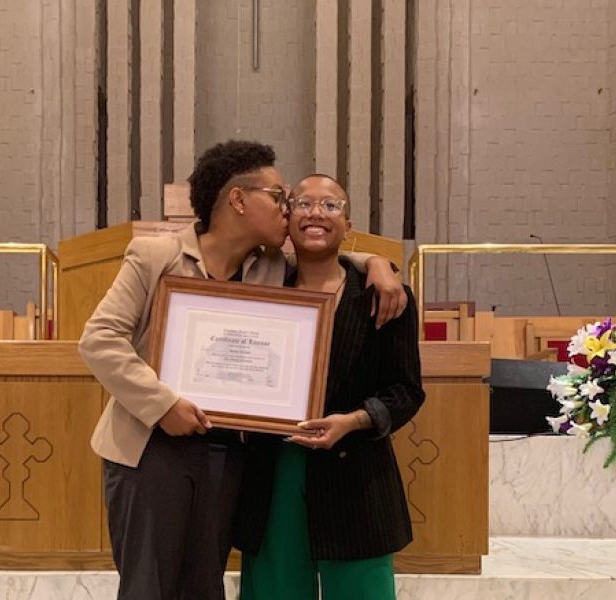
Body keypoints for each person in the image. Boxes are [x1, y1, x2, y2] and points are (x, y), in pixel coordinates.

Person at [77, 141, 406, 600]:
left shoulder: (266, 267)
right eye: (278, 197)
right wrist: (163, 404)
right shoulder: (156, 256)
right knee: (148, 587)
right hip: (150, 449)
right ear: (237, 200)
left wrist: (378, 264)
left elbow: (325, 256)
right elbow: (99, 339)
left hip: (227, 455)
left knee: (204, 587)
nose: (287, 209)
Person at [235, 174, 426, 600]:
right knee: (275, 592)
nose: (316, 214)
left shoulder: (385, 297)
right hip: (275, 468)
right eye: (304, 204)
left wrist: (354, 421)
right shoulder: (261, 289)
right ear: (288, 219)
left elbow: (406, 391)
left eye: (330, 205)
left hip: (356, 471)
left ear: (348, 224)